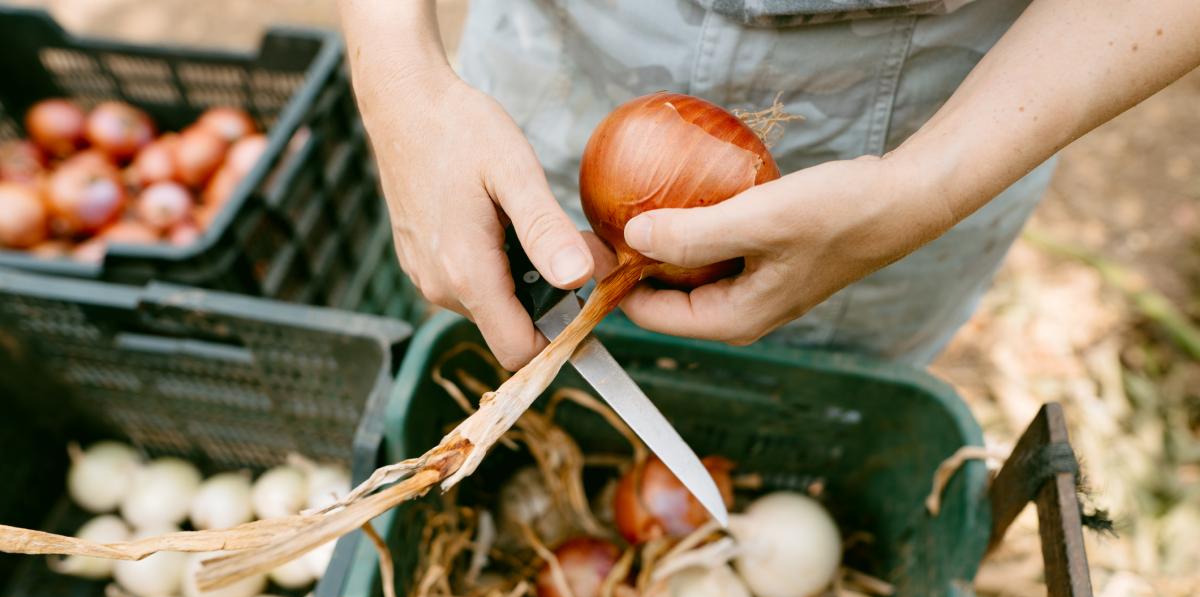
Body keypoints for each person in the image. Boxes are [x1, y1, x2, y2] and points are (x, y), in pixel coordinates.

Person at [337, 0, 1200, 370]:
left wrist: (927, 187)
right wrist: (399, 81)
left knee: (818, 408)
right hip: (558, 48)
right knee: (497, 331)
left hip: (948, 101)